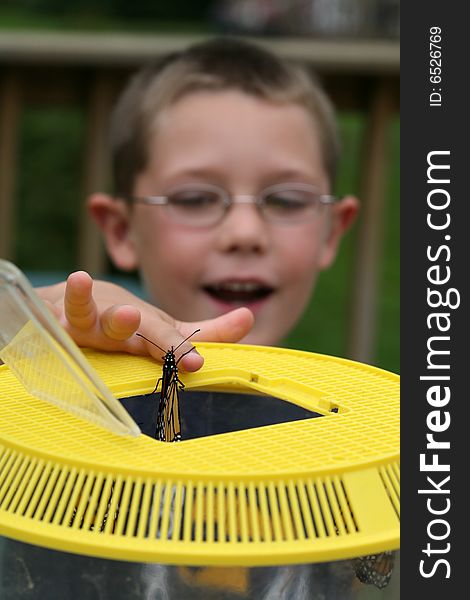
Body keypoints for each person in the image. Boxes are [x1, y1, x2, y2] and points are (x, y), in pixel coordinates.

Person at [37, 37, 358, 370]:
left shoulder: (371, 415)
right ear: (122, 230)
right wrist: (36, 324)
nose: (246, 233)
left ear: (331, 231)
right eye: (196, 199)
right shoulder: (71, 378)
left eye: (286, 201)